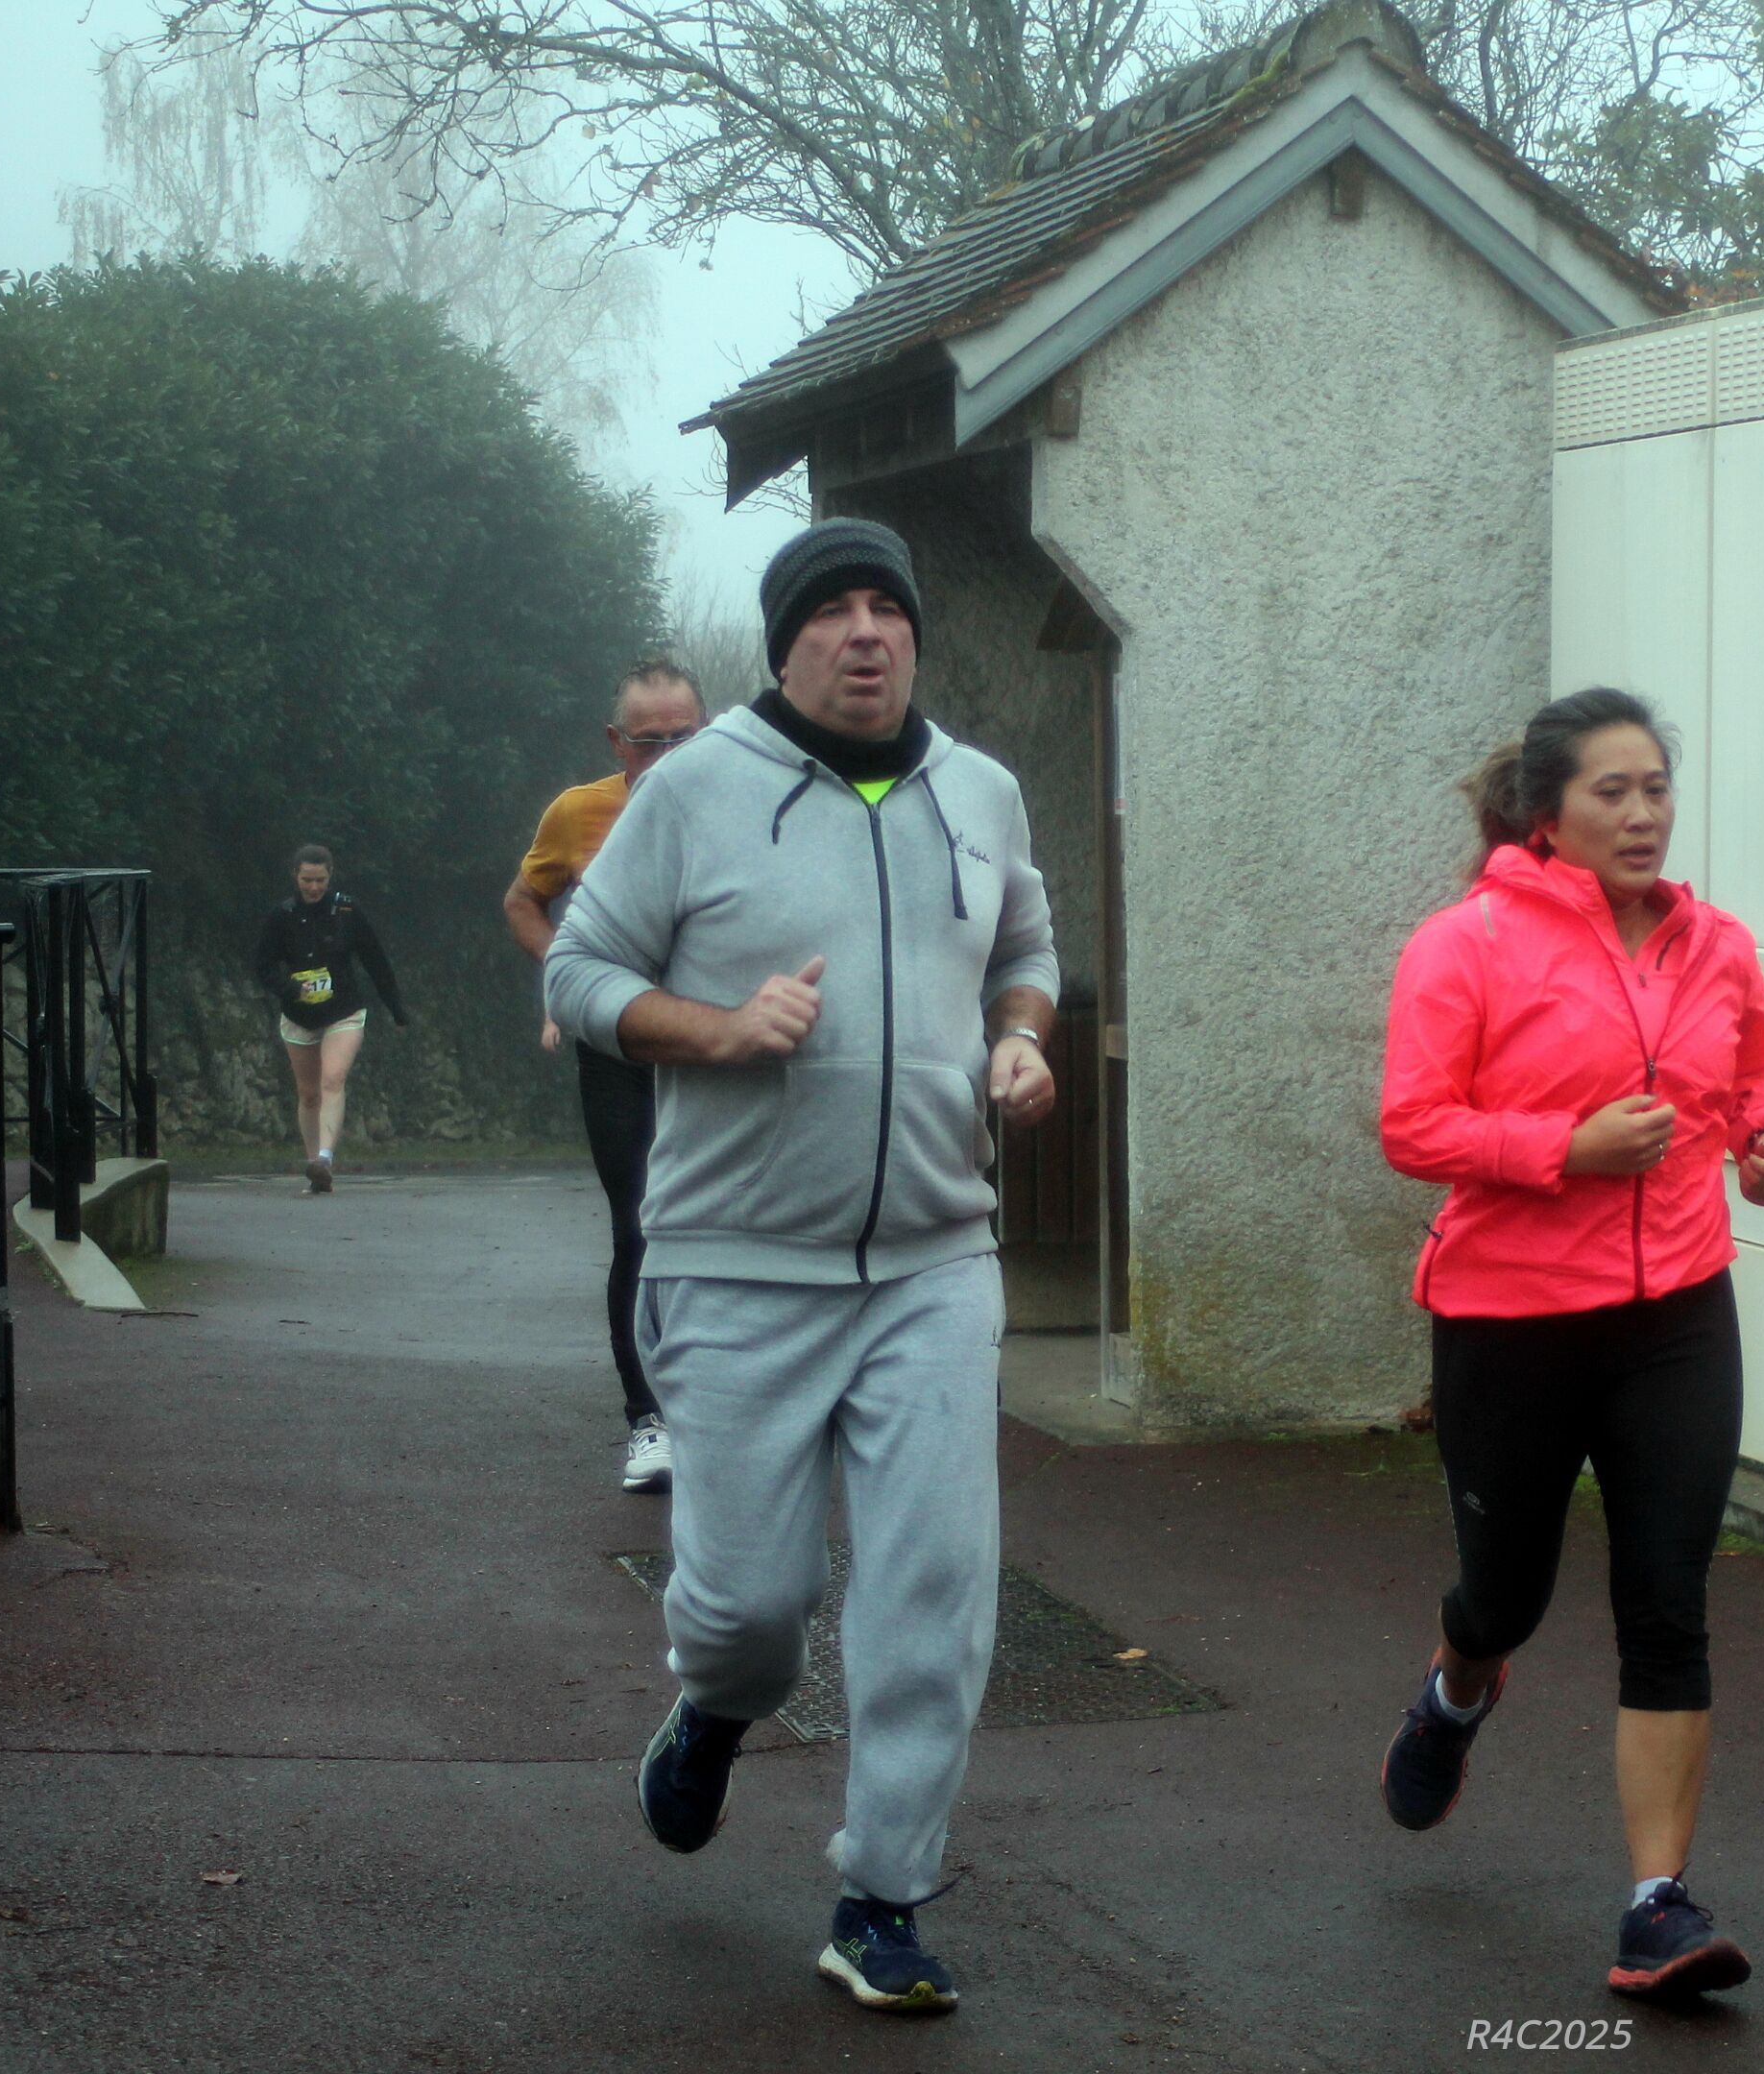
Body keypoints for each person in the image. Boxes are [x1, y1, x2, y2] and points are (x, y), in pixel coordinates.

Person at [544, 518, 1058, 2017]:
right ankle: (714, 1707)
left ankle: (883, 1896)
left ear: (914, 635)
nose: (864, 632)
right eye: (830, 610)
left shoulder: (981, 791)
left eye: (887, 607)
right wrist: (717, 1031)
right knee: (751, 1609)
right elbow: (580, 969)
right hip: (736, 1264)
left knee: (934, 1589)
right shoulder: (695, 790)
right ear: (784, 646)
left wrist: (1020, 1040)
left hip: (934, 1263)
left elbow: (1026, 947)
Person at [1374, 687, 1764, 1999]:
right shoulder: (1464, 945)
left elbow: (1746, 1074)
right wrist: (1565, 1149)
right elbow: (1414, 1126)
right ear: (1546, 813)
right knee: (1507, 1595)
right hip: (1510, 1321)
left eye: (1656, 787)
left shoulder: (1715, 944)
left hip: (1677, 1314)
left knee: (1667, 1598)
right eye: (1611, 791)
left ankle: (1657, 1905)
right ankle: (1457, 1688)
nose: (1641, 813)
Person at [504, 661, 709, 1496]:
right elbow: (523, 902)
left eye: (683, 737)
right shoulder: (578, 812)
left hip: (717, 1049)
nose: (665, 756)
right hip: (619, 1050)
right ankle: (648, 1419)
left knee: (727, 1224)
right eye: (648, 741)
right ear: (616, 741)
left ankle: (721, 1414)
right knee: (640, 1224)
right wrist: (573, 976)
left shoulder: (743, 801)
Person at [252, 845, 410, 1193]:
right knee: (309, 1094)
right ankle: (315, 1167)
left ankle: (325, 1158)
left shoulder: (348, 911)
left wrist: (396, 1008)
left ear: (330, 876)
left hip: (344, 1011)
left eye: (320, 880)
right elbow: (263, 966)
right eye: (307, 880)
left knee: (333, 1079)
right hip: (299, 1014)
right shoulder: (281, 916)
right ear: (295, 876)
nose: (314, 887)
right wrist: (290, 988)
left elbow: (376, 960)